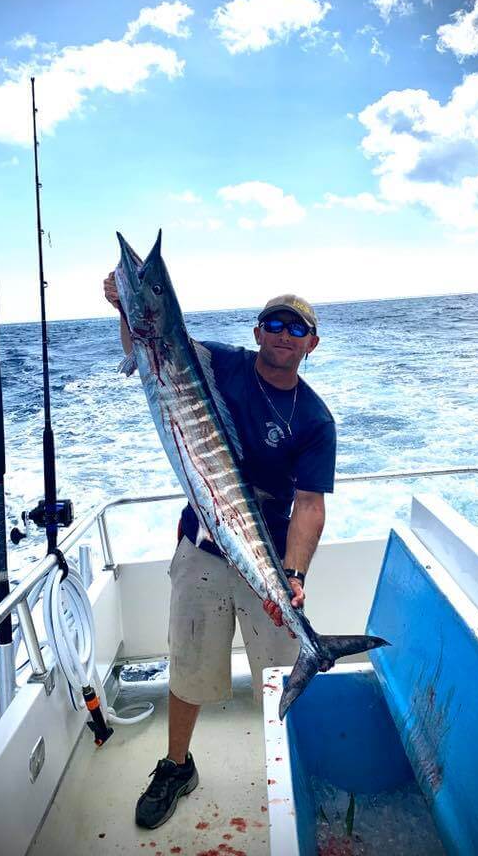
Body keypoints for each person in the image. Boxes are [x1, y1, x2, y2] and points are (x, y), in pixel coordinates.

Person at [103, 274, 336, 830]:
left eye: (296, 328)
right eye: (275, 324)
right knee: (187, 668)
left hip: (268, 565)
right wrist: (124, 307)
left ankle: (303, 768)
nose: (284, 334)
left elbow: (309, 505)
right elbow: (150, 348)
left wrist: (294, 573)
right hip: (201, 554)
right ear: (258, 331)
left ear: (311, 343)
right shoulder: (215, 362)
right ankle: (176, 767)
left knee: (280, 678)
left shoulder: (315, 419)